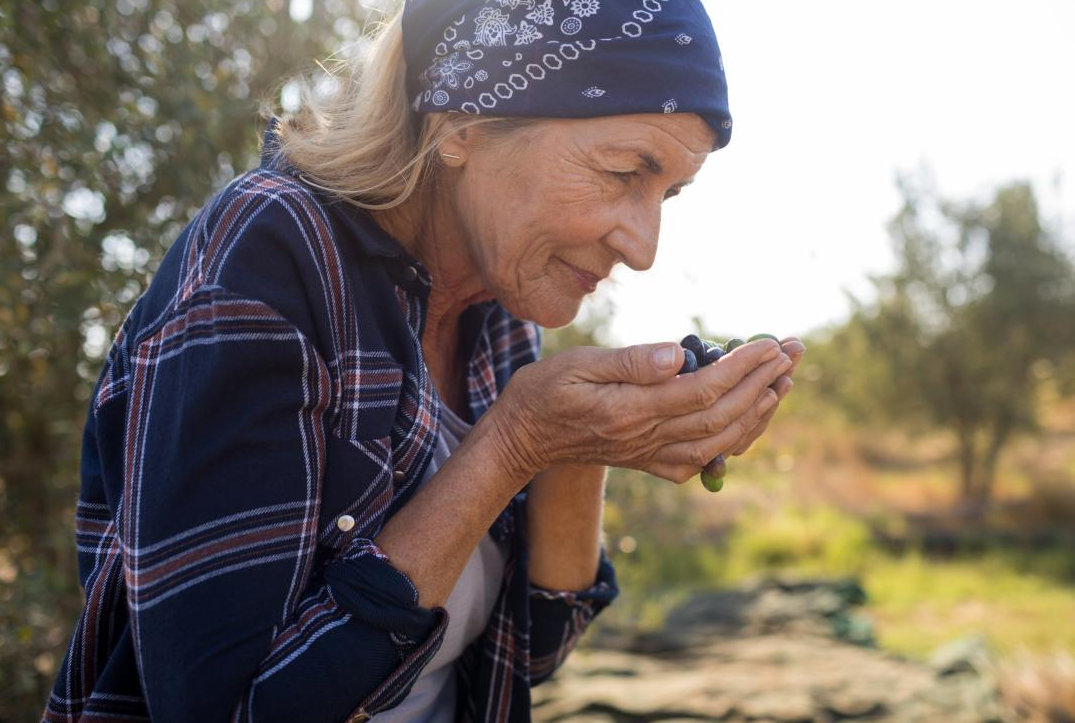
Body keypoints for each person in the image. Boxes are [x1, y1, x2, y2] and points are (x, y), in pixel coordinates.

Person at [44, 0, 804, 721]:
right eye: (621, 173)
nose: (642, 247)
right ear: (462, 125)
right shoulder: (275, 251)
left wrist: (579, 450)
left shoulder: (498, 311)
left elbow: (526, 650)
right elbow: (226, 706)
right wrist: (514, 445)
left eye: (667, 195)